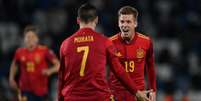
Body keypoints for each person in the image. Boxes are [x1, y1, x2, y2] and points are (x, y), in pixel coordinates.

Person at [58, 3, 151, 101]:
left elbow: (61, 77)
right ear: (96, 20)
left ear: (78, 20)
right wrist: (136, 92)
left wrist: (60, 99)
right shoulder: (104, 42)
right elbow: (118, 71)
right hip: (98, 97)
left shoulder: (65, 44)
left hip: (72, 97)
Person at [109, 6, 157, 101]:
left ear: (135, 23)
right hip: (116, 95)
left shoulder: (146, 42)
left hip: (139, 96)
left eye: (128, 22)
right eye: (122, 22)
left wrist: (153, 90)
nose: (124, 25)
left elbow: (150, 67)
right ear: (118, 23)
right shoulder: (109, 43)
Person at [9, 25, 60, 101]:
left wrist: (49, 71)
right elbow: (14, 65)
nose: (30, 39)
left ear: (37, 39)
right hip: (24, 90)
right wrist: (11, 78)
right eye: (28, 37)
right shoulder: (19, 52)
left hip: (41, 91)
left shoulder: (44, 51)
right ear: (24, 39)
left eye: (32, 37)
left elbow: (58, 65)